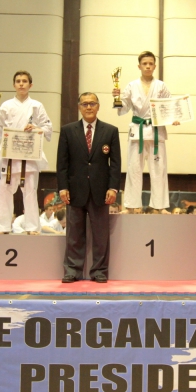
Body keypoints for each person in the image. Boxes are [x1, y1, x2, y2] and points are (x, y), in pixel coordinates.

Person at [57, 92, 121, 283]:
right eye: (84, 104)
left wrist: (113, 188)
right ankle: (72, 270)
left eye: (92, 103)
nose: (88, 107)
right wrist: (62, 187)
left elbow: (115, 163)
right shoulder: (68, 130)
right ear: (79, 107)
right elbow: (62, 163)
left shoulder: (110, 131)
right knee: (74, 234)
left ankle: (99, 270)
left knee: (101, 235)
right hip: (74, 190)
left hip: (101, 191)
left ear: (98, 106)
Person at [0, 70, 52, 234]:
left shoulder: (37, 106)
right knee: (4, 190)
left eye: (24, 81)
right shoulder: (6, 105)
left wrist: (35, 127)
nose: (21, 84)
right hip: (9, 153)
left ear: (31, 85)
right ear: (14, 85)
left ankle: (32, 227)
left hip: (29, 153)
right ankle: (2, 226)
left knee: (30, 190)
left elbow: (47, 127)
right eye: (18, 81)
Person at [113, 51, 178, 210]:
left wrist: (174, 118)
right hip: (138, 131)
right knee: (134, 169)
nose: (148, 66)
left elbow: (168, 106)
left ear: (154, 66)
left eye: (150, 64)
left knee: (159, 170)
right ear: (139, 66)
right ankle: (131, 206)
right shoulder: (131, 86)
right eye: (144, 64)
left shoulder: (161, 86)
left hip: (156, 131)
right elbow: (124, 108)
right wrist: (117, 98)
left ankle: (159, 206)